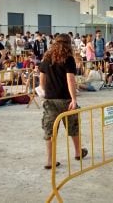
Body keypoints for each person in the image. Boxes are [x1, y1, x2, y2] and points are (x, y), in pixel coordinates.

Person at [39, 34, 87, 169]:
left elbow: (41, 79)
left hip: (50, 99)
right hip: (65, 99)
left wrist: (45, 92)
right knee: (73, 126)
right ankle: (78, 152)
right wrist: (74, 99)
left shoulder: (46, 58)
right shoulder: (68, 59)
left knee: (49, 130)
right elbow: (70, 80)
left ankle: (50, 160)